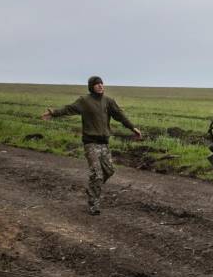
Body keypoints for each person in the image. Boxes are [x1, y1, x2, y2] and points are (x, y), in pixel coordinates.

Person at [41, 76, 141, 214]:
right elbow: (69, 109)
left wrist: (132, 127)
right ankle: (94, 205)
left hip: (104, 143)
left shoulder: (108, 101)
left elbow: (120, 115)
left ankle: (92, 188)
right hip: (90, 143)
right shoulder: (84, 101)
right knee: (97, 174)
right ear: (91, 87)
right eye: (97, 84)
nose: (100, 86)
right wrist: (53, 113)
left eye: (101, 83)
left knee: (109, 171)